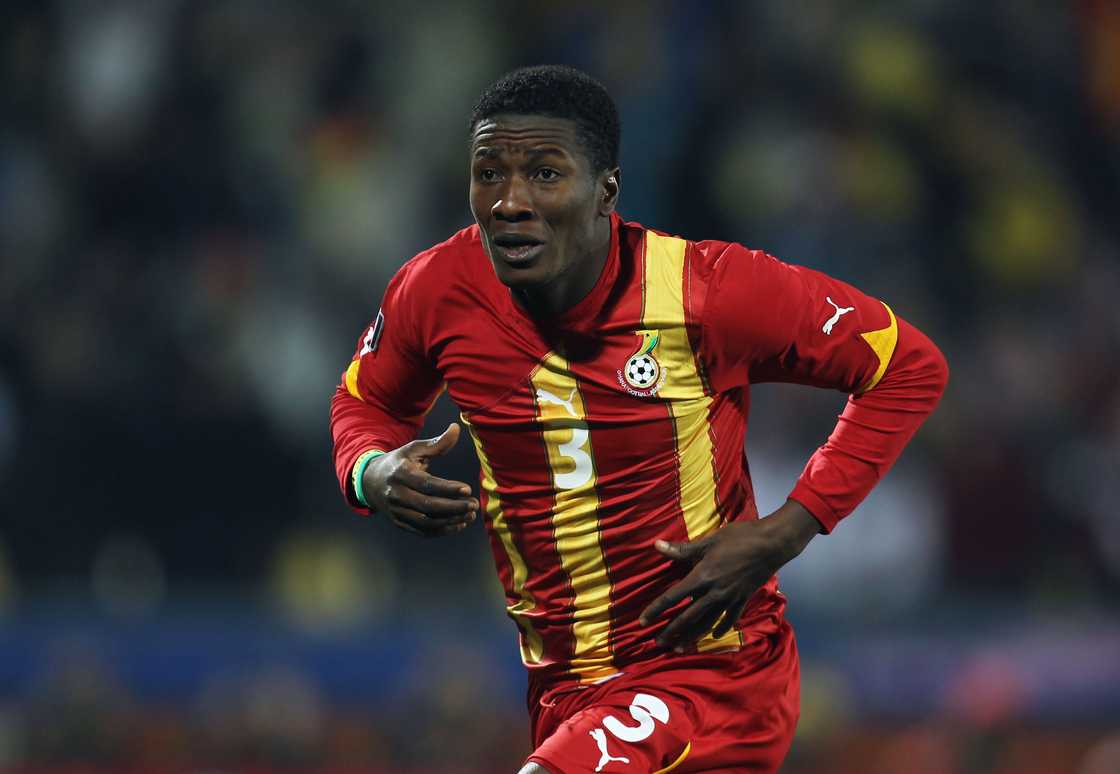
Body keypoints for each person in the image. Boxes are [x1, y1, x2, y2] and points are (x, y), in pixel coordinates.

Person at [330, 65, 948, 774]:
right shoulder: (436, 290)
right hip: (565, 691)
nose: (509, 202)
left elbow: (906, 365)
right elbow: (365, 402)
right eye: (488, 173)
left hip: (707, 672)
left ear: (607, 194)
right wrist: (371, 472)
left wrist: (787, 530)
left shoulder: (705, 292)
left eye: (544, 174)